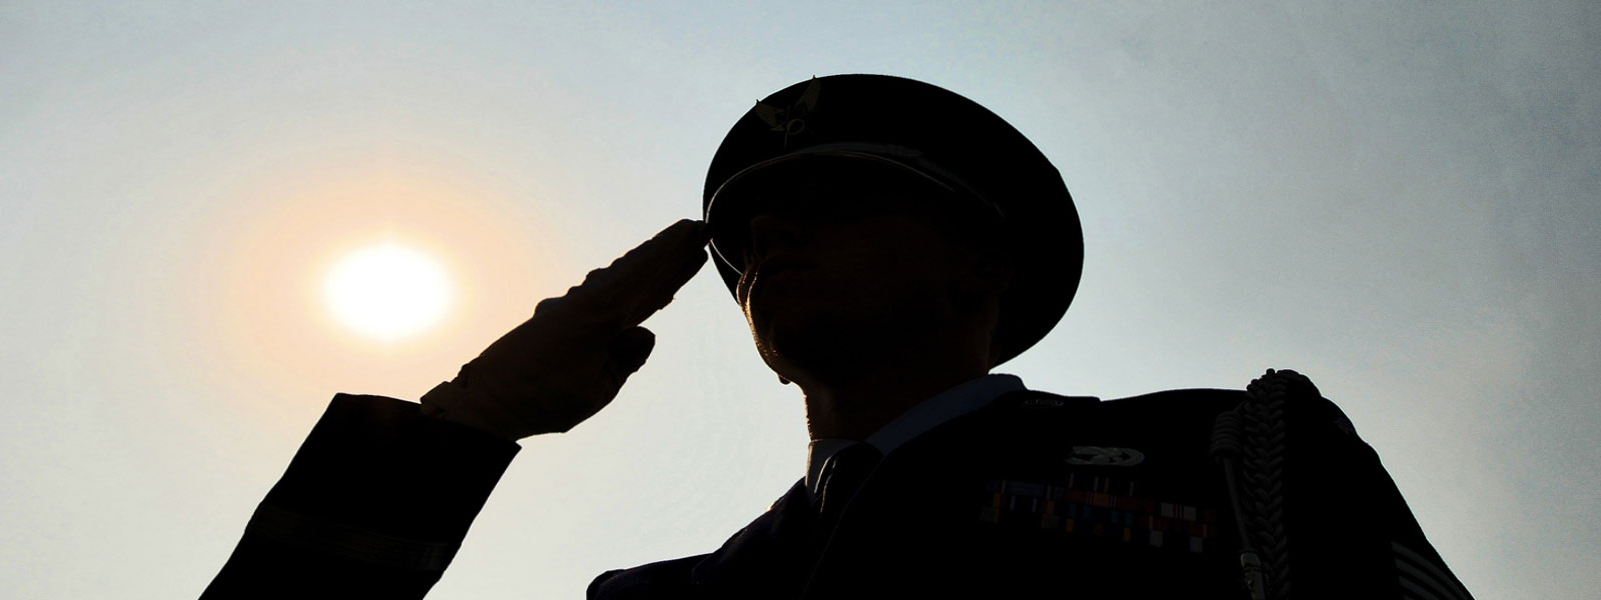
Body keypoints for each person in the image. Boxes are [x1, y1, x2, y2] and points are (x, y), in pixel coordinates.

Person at [202, 75, 1474, 599]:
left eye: (837, 204)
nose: (774, 247)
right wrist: (459, 430)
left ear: (981, 260)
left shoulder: (1225, 457)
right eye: (751, 237)